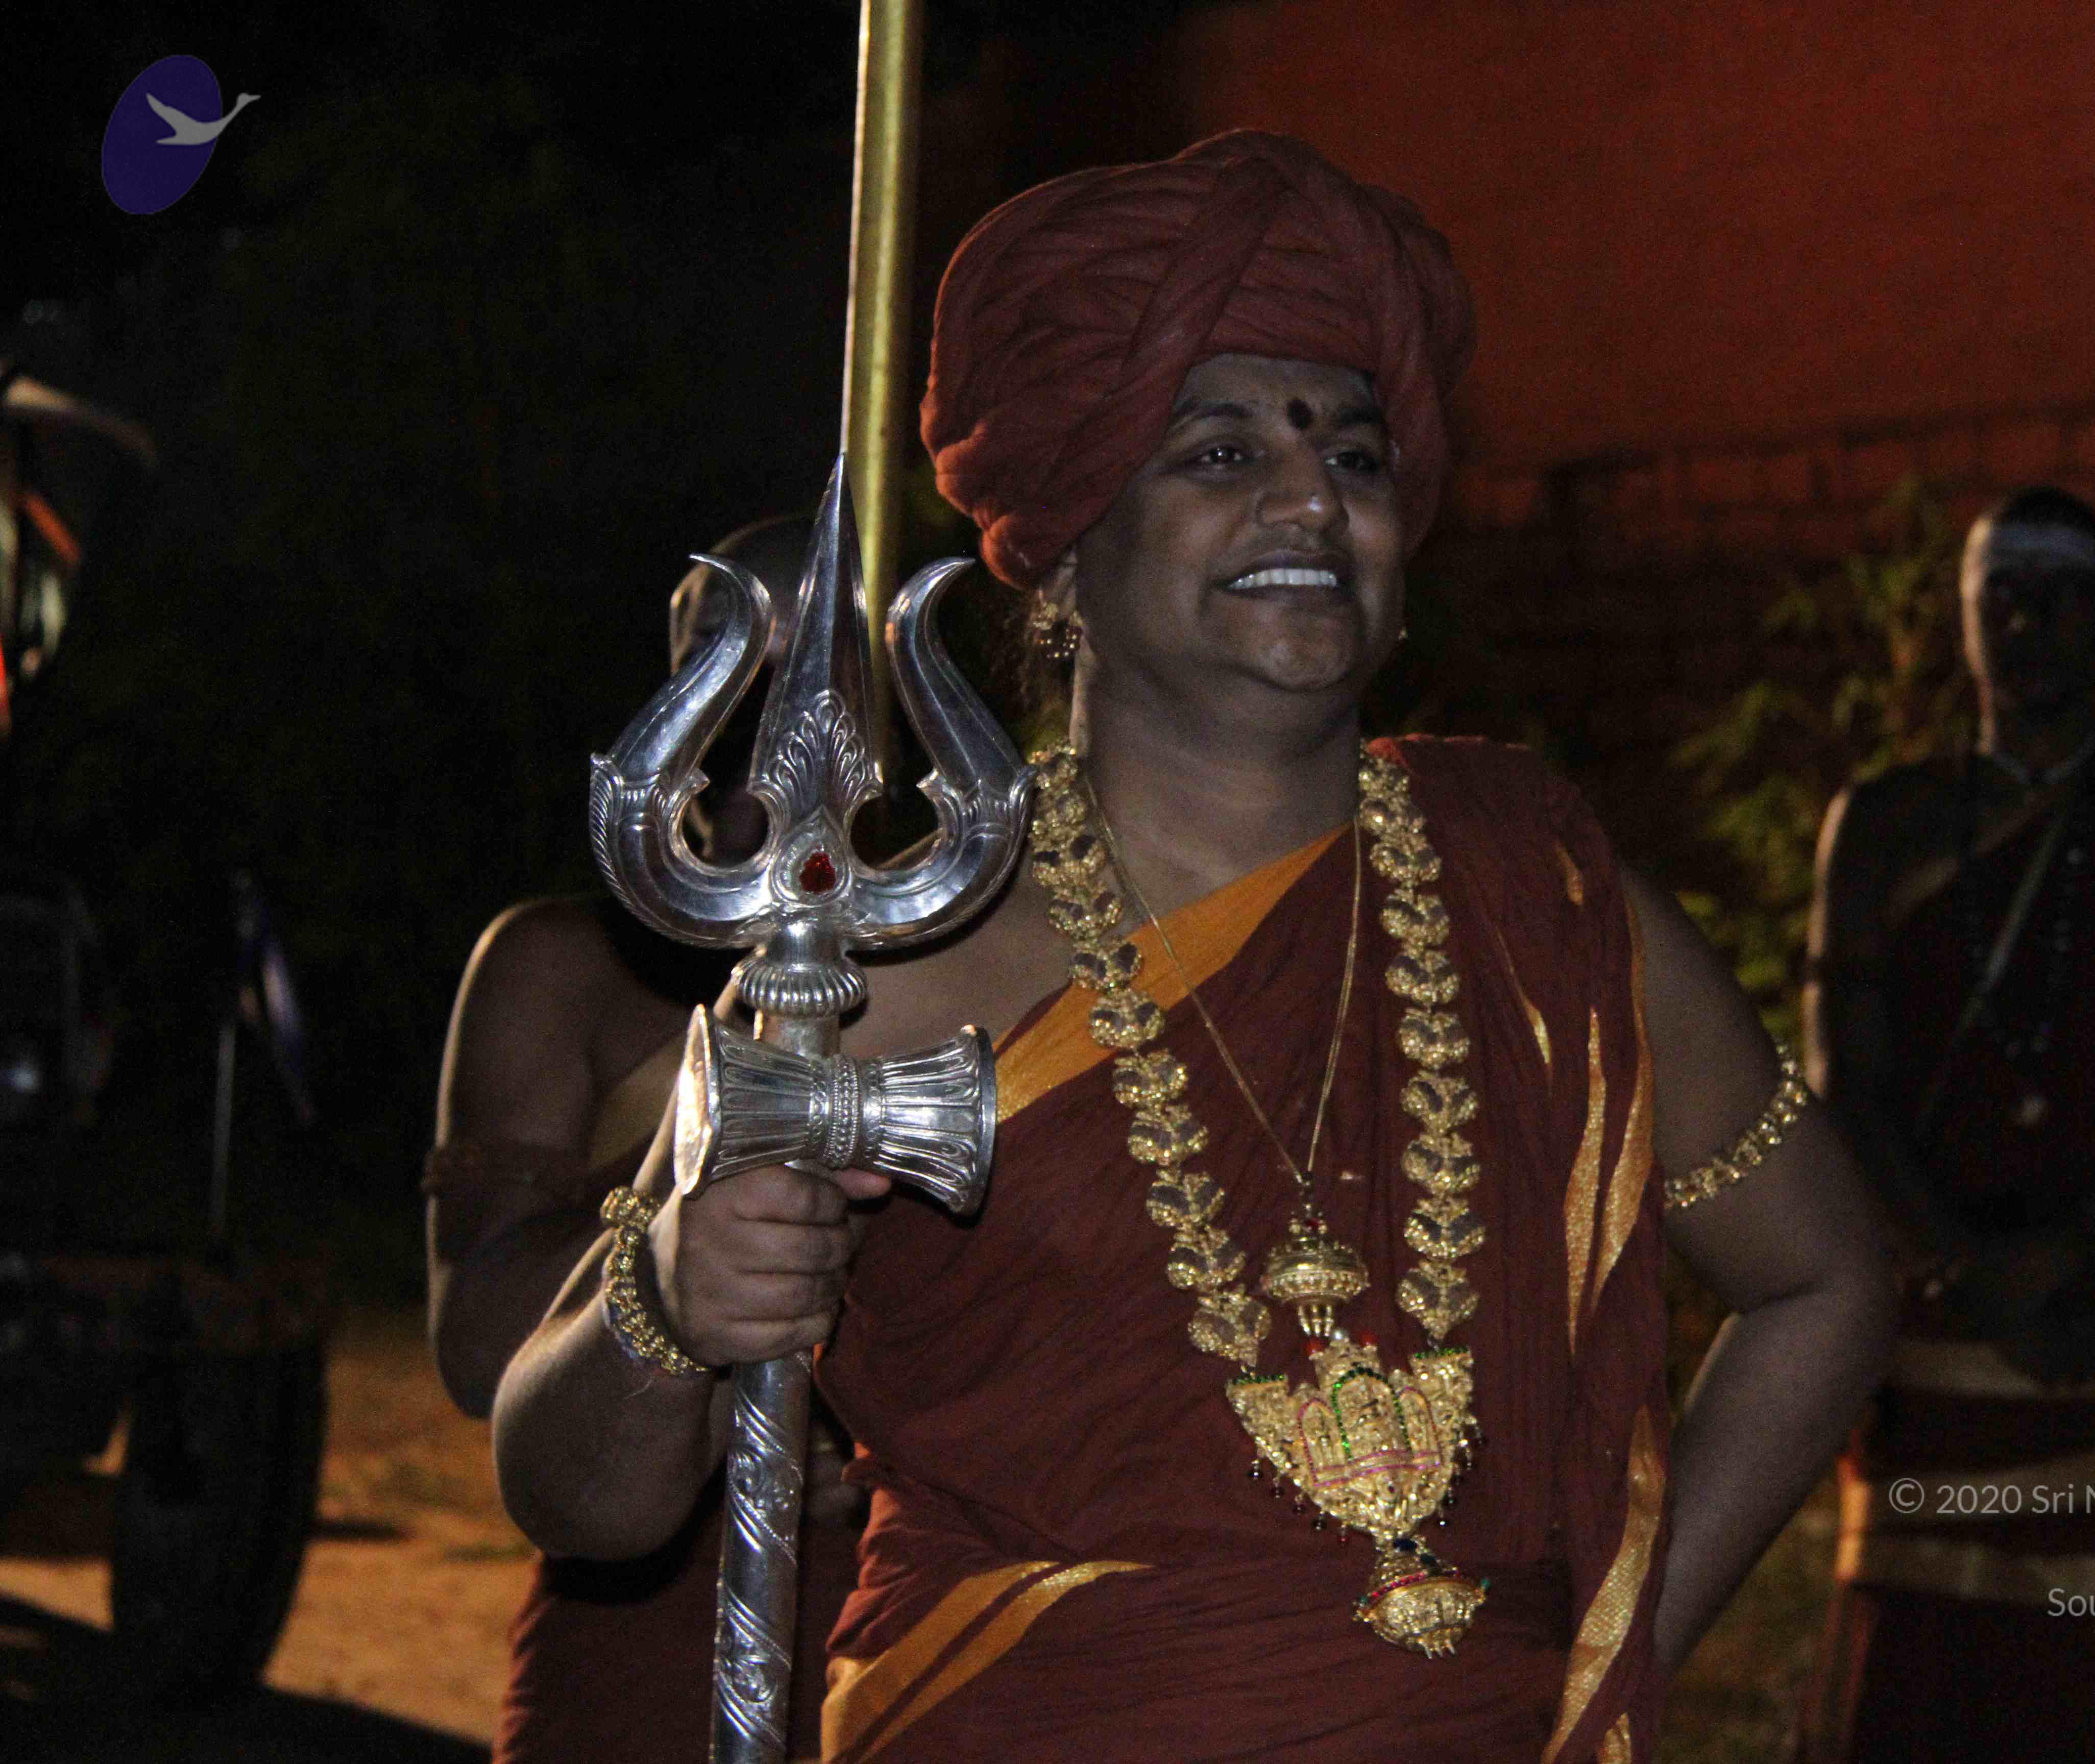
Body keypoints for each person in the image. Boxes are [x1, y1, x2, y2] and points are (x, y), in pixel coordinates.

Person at [491, 130, 1894, 1762]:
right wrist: (674, 1296)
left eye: (1356, 455)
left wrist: (1609, 1650)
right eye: (1220, 454)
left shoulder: (1546, 901)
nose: (1311, 498)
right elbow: (570, 1490)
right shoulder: (879, 963)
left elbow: (1827, 1279)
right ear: (1063, 552)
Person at [1797, 487, 2095, 1762]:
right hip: (1935, 1337)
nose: (2029, 621)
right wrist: (1975, 1270)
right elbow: (1847, 1081)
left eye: (2063, 595)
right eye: (2001, 594)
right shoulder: (1881, 825)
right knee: (1913, 1685)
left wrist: (2072, 1250)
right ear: (1963, 621)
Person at [427, 514, 870, 1764]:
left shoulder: (988, 967)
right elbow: (480, 1349)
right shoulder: (561, 969)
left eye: (819, 695)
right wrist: (703, 1160)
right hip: (649, 1603)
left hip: (908, 1612)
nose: (767, 758)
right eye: (730, 702)